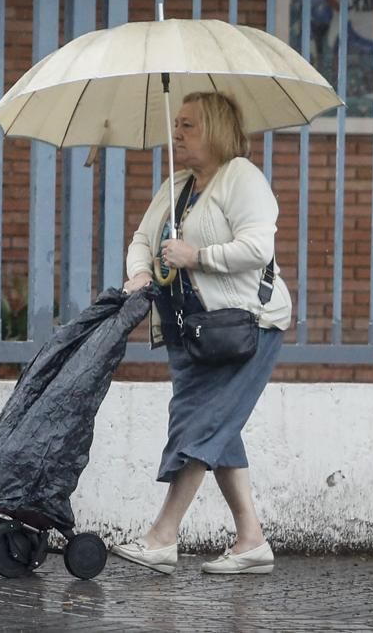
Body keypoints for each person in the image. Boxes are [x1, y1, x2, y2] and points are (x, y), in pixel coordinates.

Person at [112, 91, 292, 576]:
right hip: (190, 330)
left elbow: (257, 247)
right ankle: (251, 540)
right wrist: (140, 273)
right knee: (216, 428)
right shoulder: (178, 184)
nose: (176, 133)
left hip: (243, 327)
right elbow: (143, 239)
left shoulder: (241, 178)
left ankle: (162, 536)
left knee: (200, 425)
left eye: (188, 125)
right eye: (176, 124)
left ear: (215, 130)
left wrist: (197, 257)